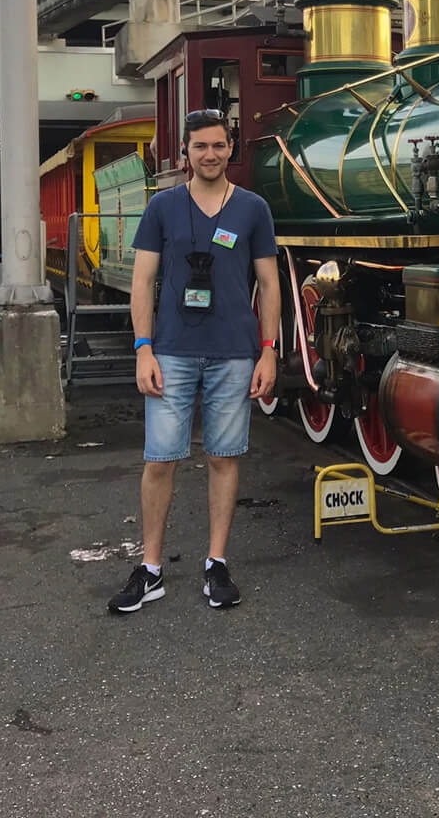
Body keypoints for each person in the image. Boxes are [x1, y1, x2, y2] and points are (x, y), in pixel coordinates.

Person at [108, 108, 280, 614]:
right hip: (172, 352)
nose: (210, 154)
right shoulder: (162, 207)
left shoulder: (253, 209)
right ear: (185, 152)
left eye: (219, 146)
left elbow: (269, 284)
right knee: (160, 458)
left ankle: (216, 563)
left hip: (234, 353)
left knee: (224, 457)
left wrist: (268, 352)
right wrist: (143, 349)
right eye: (200, 146)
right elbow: (142, 282)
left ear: (231, 150)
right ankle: (152, 568)